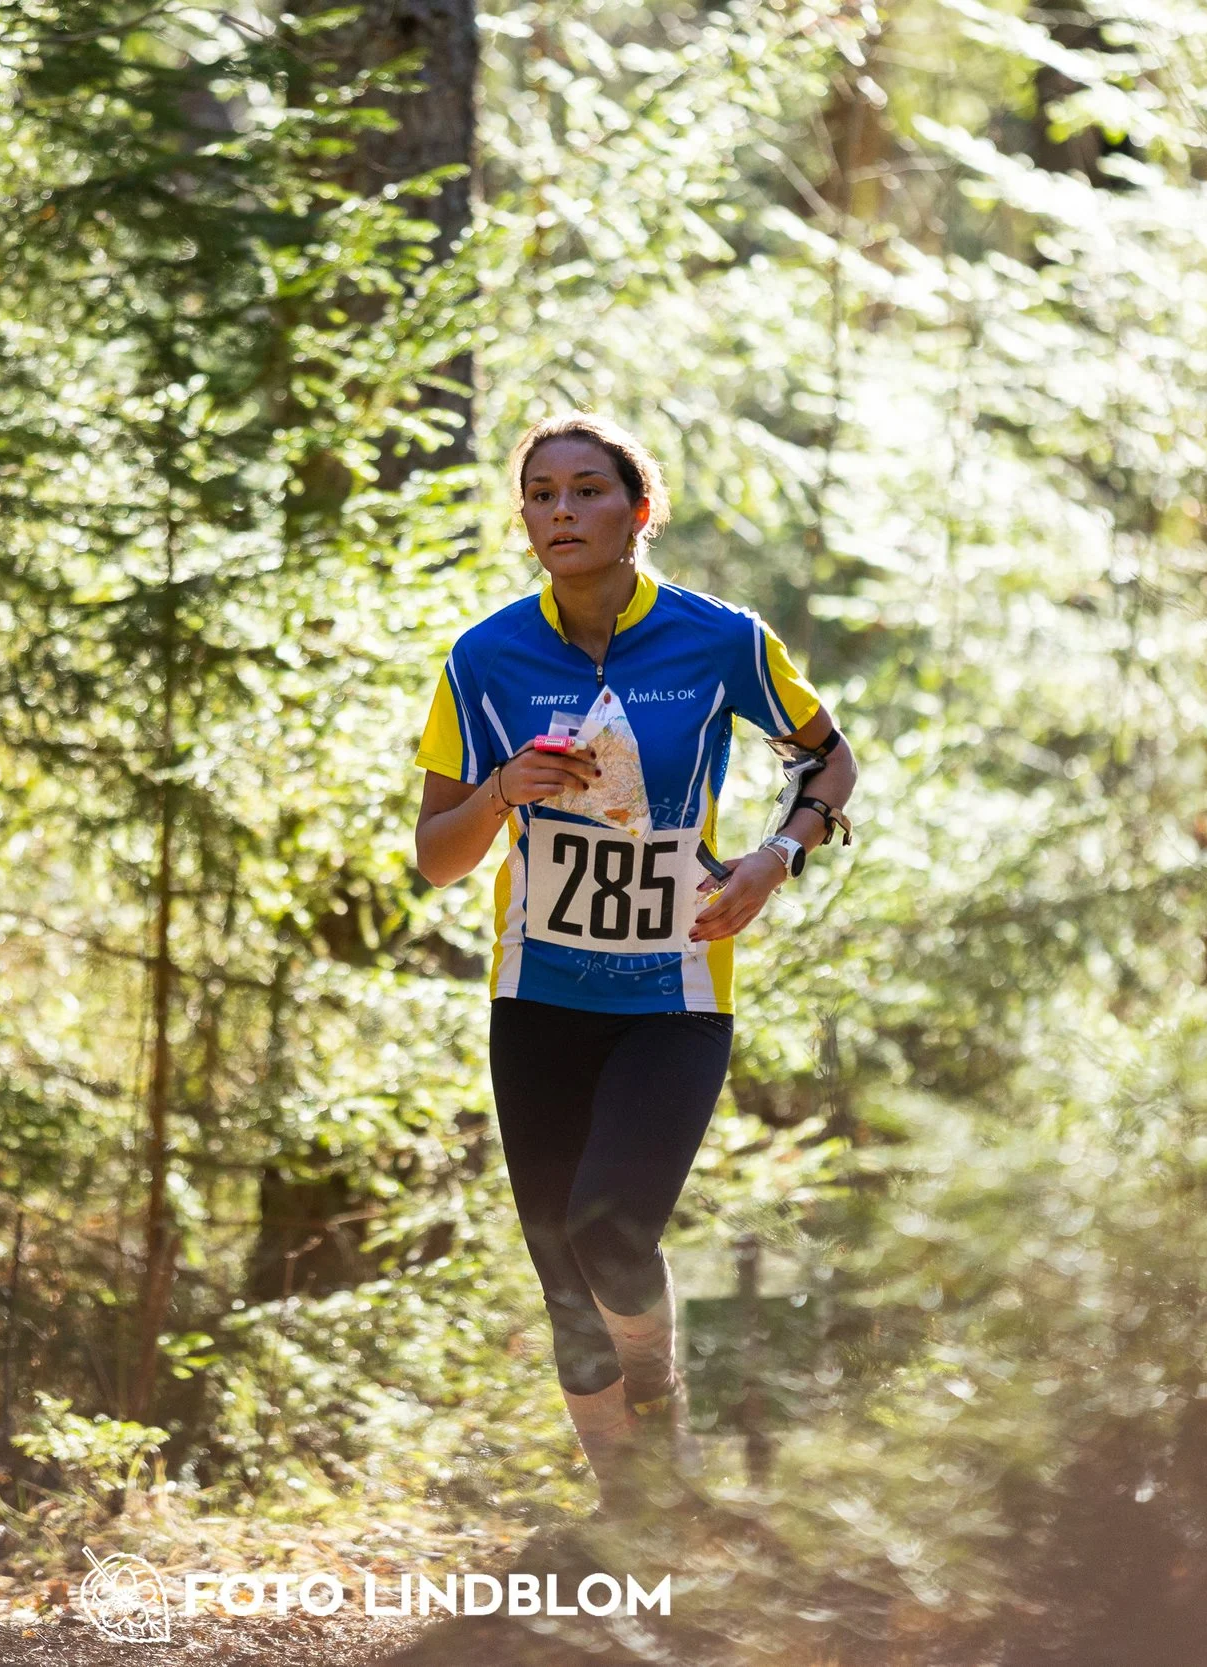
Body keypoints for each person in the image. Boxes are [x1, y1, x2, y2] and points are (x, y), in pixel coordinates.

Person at [411, 412, 859, 1512]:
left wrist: (772, 858)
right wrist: (499, 791)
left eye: (587, 490)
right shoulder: (484, 657)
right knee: (561, 1274)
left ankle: (657, 1386)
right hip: (540, 993)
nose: (561, 511)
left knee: (611, 1226)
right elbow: (435, 857)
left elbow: (829, 760)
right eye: (541, 495)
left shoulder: (720, 639)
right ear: (525, 519)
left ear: (638, 508)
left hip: (675, 989)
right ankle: (633, 1504)